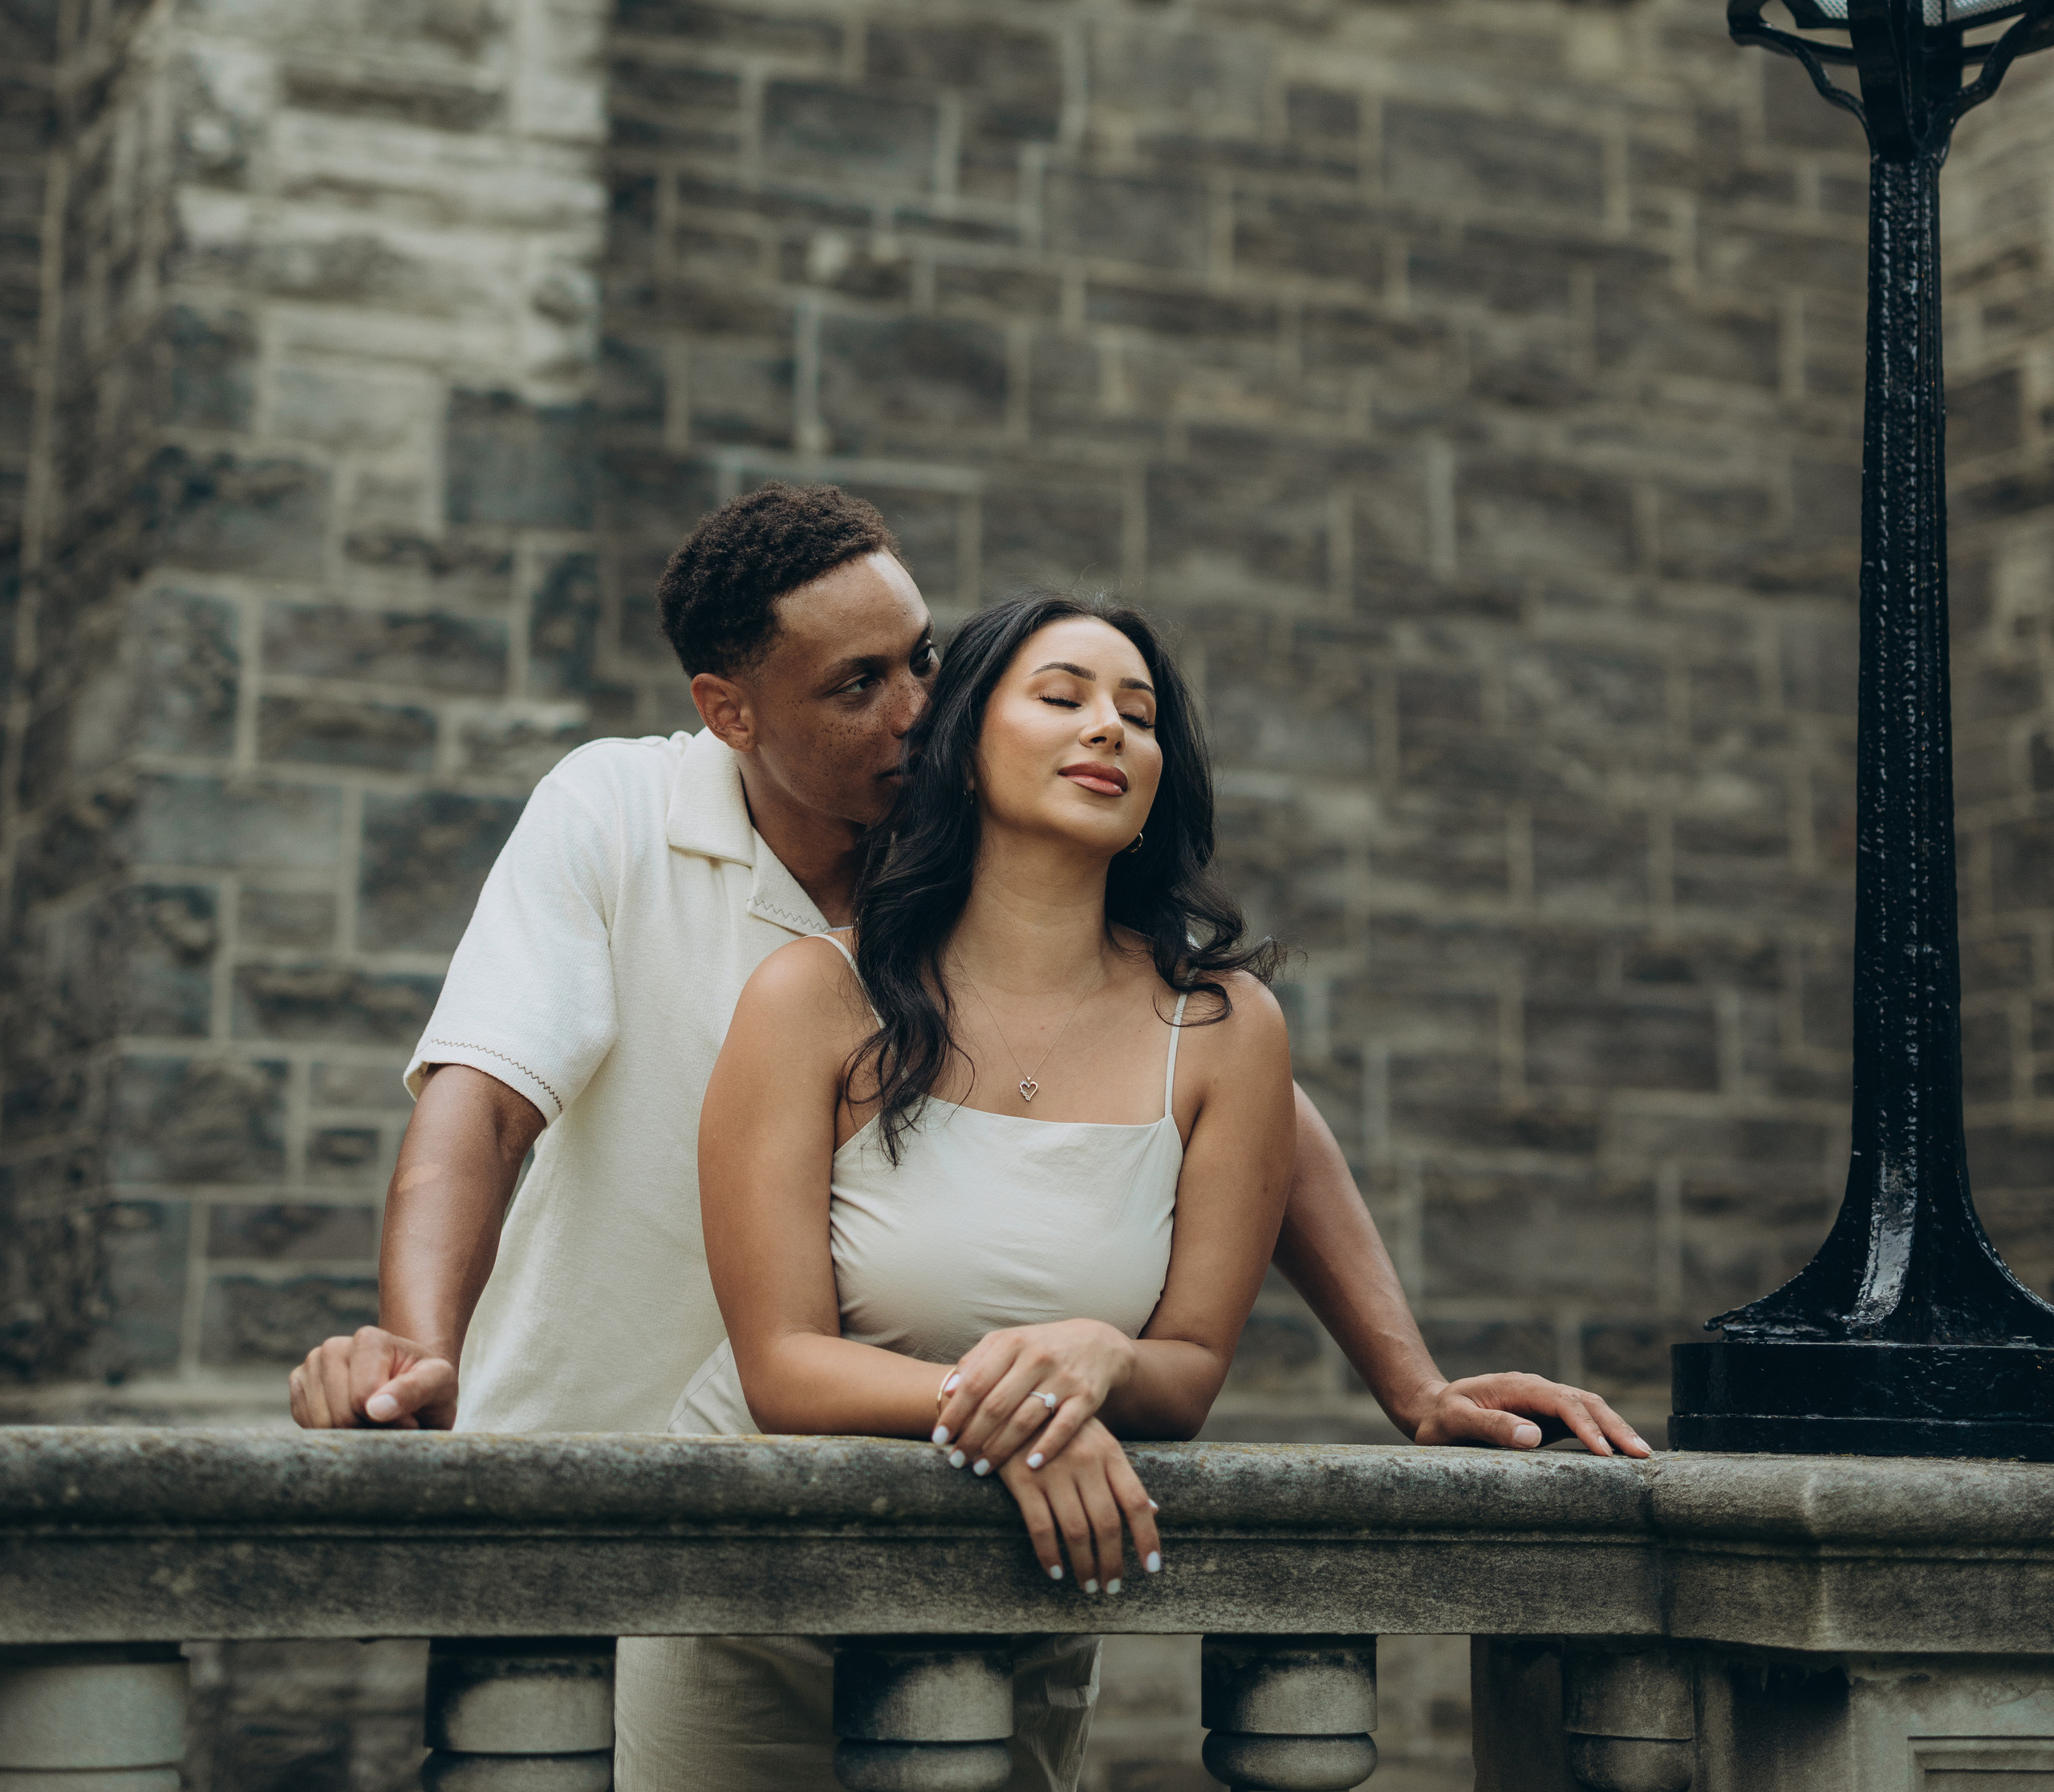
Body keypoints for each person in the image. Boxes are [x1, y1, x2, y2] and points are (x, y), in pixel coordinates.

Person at [287, 483, 1652, 1458]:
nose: (916, 710)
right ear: (728, 709)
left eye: (926, 659)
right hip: (574, 1433)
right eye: (856, 684)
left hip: (882, 1467)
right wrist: (423, 1354)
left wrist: (1410, 1385)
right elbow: (485, 1096)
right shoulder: (614, 811)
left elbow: (1240, 1102)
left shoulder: (979, 863)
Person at [619, 589, 1296, 1789]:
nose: (1107, 731)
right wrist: (1023, 1423)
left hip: (1012, 1604)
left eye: (1137, 716)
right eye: (1062, 698)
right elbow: (782, 1363)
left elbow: (1186, 1367)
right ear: (967, 751)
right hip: (758, 1592)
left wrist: (1098, 1356)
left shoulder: (1225, 1030)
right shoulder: (813, 997)